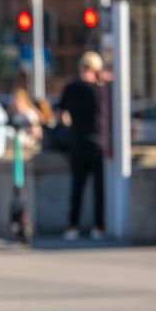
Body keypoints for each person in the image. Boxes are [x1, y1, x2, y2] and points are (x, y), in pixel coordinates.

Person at [59, 51, 106, 241]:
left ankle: (73, 226)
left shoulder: (71, 88)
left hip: (77, 142)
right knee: (99, 189)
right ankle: (99, 226)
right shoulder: (102, 89)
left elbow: (60, 115)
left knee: (77, 187)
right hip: (99, 143)